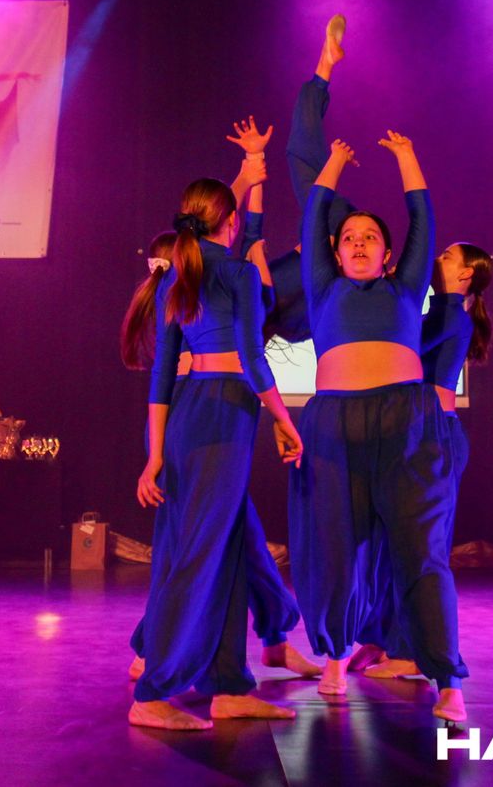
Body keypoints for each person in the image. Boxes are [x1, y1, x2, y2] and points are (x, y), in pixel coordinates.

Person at [120, 127, 320, 683]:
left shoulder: (189, 274)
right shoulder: (231, 273)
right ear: (226, 223)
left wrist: (253, 170)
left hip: (191, 414)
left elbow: (161, 377)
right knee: (202, 543)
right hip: (223, 409)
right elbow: (252, 358)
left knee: (237, 537)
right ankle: (158, 664)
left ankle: (262, 648)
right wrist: (284, 420)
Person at [289, 130, 470, 723]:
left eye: (370, 237)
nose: (359, 243)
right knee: (337, 550)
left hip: (406, 424)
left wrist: (407, 158)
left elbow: (423, 221)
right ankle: (335, 656)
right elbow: (315, 210)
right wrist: (334, 164)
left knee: (422, 553)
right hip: (334, 426)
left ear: (389, 255)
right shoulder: (323, 287)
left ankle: (446, 676)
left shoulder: (406, 287)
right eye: (349, 238)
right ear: (335, 253)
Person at [352, 243, 493, 684]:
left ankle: (411, 652)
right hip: (415, 433)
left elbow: (402, 348)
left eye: (447, 257)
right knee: (388, 544)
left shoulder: (451, 315)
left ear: (466, 275)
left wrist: (390, 287)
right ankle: (382, 636)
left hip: (434, 437)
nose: (437, 259)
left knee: (419, 549)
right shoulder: (438, 312)